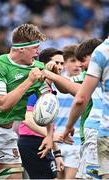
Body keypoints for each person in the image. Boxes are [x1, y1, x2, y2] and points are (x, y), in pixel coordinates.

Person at [0, 23, 54, 179]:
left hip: (8, 132)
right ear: (22, 49)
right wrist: (29, 81)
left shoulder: (37, 68)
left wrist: (49, 134)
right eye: (35, 48)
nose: (38, 53)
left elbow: (48, 103)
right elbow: (3, 104)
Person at [63, 36, 109, 179]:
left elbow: (80, 98)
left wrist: (68, 127)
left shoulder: (101, 53)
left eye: (82, 60)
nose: (80, 65)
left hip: (102, 130)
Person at [18, 48, 65, 179]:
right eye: (57, 63)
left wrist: (57, 153)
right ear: (45, 65)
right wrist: (50, 136)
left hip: (41, 141)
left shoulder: (49, 89)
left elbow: (49, 126)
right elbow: (26, 117)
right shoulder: (37, 87)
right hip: (31, 142)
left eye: (62, 63)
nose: (60, 67)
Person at [54, 44, 82, 179]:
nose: (77, 65)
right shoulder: (55, 84)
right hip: (56, 141)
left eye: (79, 61)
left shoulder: (86, 84)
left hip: (75, 142)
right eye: (72, 61)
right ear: (64, 63)